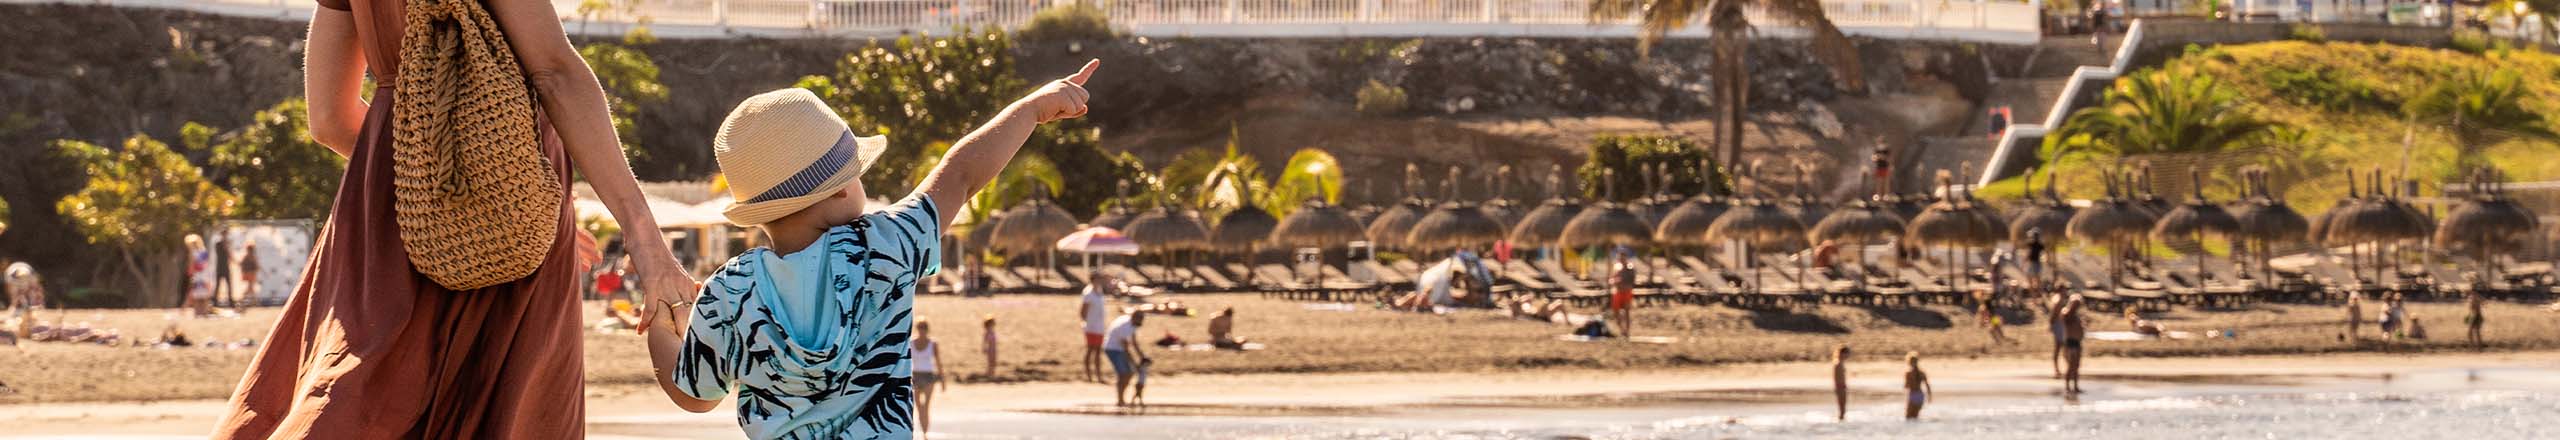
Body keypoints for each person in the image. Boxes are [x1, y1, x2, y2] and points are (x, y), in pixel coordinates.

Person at [648, 62, 1097, 438]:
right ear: (842, 188)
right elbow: (960, 174)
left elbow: (695, 396)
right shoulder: (885, 246)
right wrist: (1031, 109)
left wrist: (661, 327)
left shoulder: (730, 289)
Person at [1103, 311, 1150, 407]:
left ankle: (1122, 400)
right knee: (1124, 374)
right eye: (1140, 318)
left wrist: (1142, 356)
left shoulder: (1132, 324)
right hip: (1113, 349)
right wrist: (1134, 364)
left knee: (1129, 373)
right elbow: (1126, 349)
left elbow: (1134, 342)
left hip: (1119, 349)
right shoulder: (1124, 327)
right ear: (1134, 317)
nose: (1141, 321)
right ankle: (1120, 400)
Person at [1080, 272, 1116, 383]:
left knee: (1098, 351)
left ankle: (1099, 375)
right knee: (1091, 350)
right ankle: (1089, 375)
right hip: (1091, 327)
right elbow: (1083, 312)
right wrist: (1087, 325)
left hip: (1099, 326)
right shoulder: (1088, 293)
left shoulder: (1099, 291)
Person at [913, 320, 945, 436]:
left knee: (926, 406)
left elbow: (938, 362)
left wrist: (943, 380)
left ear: (927, 329)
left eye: (924, 328)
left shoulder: (933, 344)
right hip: (915, 375)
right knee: (918, 406)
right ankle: (923, 428)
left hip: (928, 376)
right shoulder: (911, 343)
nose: (922, 330)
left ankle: (925, 433)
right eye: (920, 328)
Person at [2061, 296, 2088, 394]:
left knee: (2076, 366)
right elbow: (2065, 318)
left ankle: (2076, 386)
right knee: (2070, 365)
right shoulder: (2066, 312)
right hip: (2070, 342)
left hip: (2077, 342)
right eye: (2076, 304)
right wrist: (2072, 307)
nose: (2077, 306)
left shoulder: (2077, 315)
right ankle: (2067, 387)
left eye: (2078, 304)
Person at [1609, 250, 1637, 338]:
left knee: (1626, 311)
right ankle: (1622, 330)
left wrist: (1620, 282)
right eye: (1620, 257)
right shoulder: (1616, 267)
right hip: (1618, 291)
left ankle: (1627, 331)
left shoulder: (1630, 267)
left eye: (1622, 257)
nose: (1621, 259)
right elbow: (1612, 279)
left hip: (1626, 291)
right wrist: (1614, 281)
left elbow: (1631, 281)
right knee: (1616, 311)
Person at [184, 234, 214, 317]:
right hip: (205, 275)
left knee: (197, 296)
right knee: (204, 296)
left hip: (198, 276)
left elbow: (192, 266)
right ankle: (204, 313)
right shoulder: (204, 252)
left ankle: (198, 313)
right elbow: (206, 264)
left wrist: (190, 273)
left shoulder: (193, 253)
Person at [1903, 352, 1932, 420]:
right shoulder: (1922, 373)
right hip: (1920, 395)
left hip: (1913, 394)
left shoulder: (1908, 373)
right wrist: (1930, 396)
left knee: (1908, 418)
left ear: (1909, 362)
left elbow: (1906, 386)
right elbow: (1927, 386)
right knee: (1915, 417)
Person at [211, 234, 235, 308]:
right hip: (220, 268)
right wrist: (226, 244)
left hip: (226, 268)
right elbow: (226, 251)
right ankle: (215, 301)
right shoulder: (218, 244)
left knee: (229, 285)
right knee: (218, 285)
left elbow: (229, 255)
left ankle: (230, 300)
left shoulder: (227, 243)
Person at [236, 241, 261, 307]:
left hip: (249, 273)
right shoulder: (250, 256)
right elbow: (256, 264)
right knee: (250, 288)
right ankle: (245, 300)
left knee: (250, 288)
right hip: (250, 273)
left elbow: (241, 264)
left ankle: (254, 301)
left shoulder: (247, 256)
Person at [1831, 344, 1851, 421]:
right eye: (1847, 353)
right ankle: (1841, 420)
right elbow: (1835, 377)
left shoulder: (1840, 362)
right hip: (1840, 387)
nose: (1848, 356)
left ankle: (1842, 421)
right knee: (1842, 408)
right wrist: (1839, 387)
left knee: (1843, 408)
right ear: (1843, 353)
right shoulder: (1837, 363)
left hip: (1841, 387)